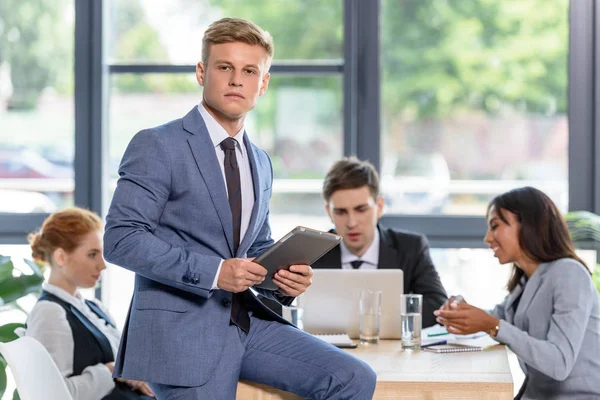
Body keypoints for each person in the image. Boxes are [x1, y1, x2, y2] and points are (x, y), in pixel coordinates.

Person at [103, 17, 376, 400]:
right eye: (224, 67)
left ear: (262, 84)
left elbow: (254, 248)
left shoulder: (260, 161)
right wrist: (215, 272)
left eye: (250, 71)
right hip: (182, 337)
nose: (236, 80)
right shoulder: (158, 145)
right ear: (202, 72)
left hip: (247, 324)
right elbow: (120, 240)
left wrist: (284, 282)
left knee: (353, 377)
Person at [434, 187, 600, 399]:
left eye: (495, 226)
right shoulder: (526, 280)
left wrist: (491, 325)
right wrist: (463, 311)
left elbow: (559, 363)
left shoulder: (569, 273)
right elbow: (497, 316)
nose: (487, 238)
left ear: (529, 224)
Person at [24, 207, 154, 400]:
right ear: (61, 257)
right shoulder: (50, 313)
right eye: (92, 254)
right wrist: (111, 370)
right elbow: (55, 394)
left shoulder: (93, 308)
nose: (102, 265)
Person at [312, 157, 447, 328]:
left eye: (361, 209)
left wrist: (379, 318)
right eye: (340, 212)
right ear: (329, 212)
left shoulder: (411, 247)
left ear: (380, 206)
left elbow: (437, 304)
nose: (352, 222)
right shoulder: (314, 251)